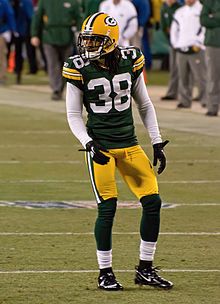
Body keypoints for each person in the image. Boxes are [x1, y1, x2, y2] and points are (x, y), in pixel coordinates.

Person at [63, 12, 173, 291]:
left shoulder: (130, 60)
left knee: (153, 203)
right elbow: (73, 114)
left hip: (130, 145)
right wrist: (89, 143)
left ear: (111, 41)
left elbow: (145, 105)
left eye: (94, 41)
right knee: (107, 208)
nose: (87, 46)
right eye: (86, 40)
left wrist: (156, 141)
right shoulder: (78, 67)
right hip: (101, 148)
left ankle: (145, 269)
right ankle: (105, 272)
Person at [31, 0, 82, 100]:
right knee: (52, 64)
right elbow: (37, 18)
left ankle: (63, 88)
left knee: (66, 65)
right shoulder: (44, 2)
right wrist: (34, 34)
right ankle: (56, 89)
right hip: (49, 37)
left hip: (67, 37)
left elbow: (79, 18)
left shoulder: (73, 2)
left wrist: (80, 33)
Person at [170, 0, 207, 109]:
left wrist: (199, 43)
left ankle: (205, 100)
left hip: (196, 49)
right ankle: (185, 101)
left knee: (201, 76)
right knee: (183, 76)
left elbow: (204, 28)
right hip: (181, 48)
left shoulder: (202, 10)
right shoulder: (180, 11)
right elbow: (174, 29)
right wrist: (176, 44)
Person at [200, 0, 220, 117]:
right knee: (213, 76)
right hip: (213, 43)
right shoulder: (209, 2)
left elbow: (209, 20)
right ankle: (212, 106)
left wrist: (214, 17)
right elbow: (204, 20)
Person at [160, 0, 182, 100]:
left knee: (183, 68)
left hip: (182, 41)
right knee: (174, 68)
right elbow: (163, 26)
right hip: (172, 41)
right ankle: (173, 92)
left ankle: (183, 93)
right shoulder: (164, 7)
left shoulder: (179, 7)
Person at [0, 0, 16, 85]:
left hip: (1, 32)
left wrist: (13, 29)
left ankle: (2, 77)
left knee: (1, 56)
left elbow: (10, 15)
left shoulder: (3, 2)